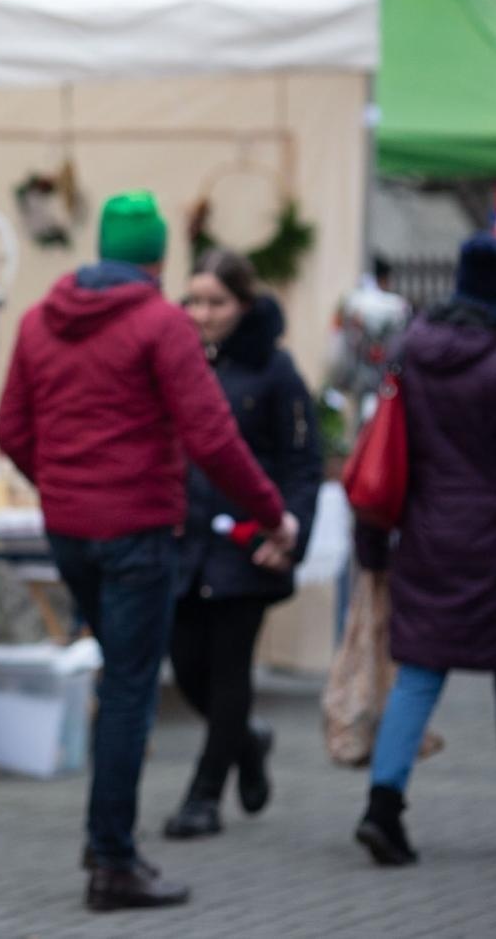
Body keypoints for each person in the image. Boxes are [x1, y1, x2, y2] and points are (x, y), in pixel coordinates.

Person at [0, 191, 299, 912]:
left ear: (101, 250)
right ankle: (112, 860)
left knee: (119, 679)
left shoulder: (38, 321)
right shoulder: (162, 324)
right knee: (131, 690)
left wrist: (61, 487)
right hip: (138, 534)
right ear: (159, 261)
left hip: (69, 534)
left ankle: (104, 837)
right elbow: (212, 437)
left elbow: (10, 430)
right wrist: (273, 515)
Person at [164, 250, 321, 840]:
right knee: (187, 668)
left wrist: (291, 535)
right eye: (194, 300)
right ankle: (247, 742)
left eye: (217, 302)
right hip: (186, 544)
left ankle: (203, 797)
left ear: (245, 305)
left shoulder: (274, 370)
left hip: (248, 543)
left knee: (230, 672)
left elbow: (303, 464)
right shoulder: (176, 359)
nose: (203, 313)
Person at [353, 232, 496, 867]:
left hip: (427, 535)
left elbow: (382, 449)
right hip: (491, 539)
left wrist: (371, 546)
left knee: (417, 676)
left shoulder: (411, 351)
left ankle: (382, 808)